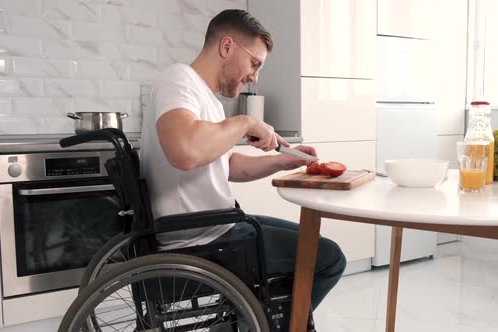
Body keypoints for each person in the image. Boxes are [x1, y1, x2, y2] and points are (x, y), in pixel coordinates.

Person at [141, 8, 346, 330]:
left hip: (216, 227)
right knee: (328, 258)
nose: (255, 77)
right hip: (200, 239)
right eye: (255, 63)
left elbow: (226, 166)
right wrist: (245, 122)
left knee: (313, 241)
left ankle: (242, 324)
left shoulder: (205, 98)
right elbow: (185, 153)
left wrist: (284, 160)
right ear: (227, 47)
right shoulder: (178, 79)